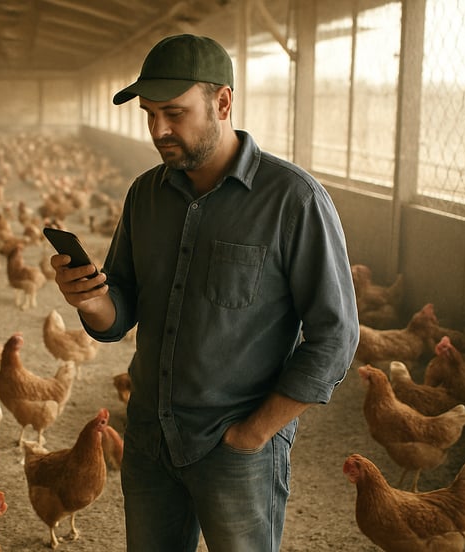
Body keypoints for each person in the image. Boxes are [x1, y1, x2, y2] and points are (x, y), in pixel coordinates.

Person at [50, 34, 360, 551]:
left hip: (236, 447)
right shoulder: (146, 193)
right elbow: (120, 310)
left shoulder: (292, 200)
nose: (158, 130)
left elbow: (336, 335)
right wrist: (90, 299)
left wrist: (256, 433)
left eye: (174, 112)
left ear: (223, 102)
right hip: (149, 437)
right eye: (149, 114)